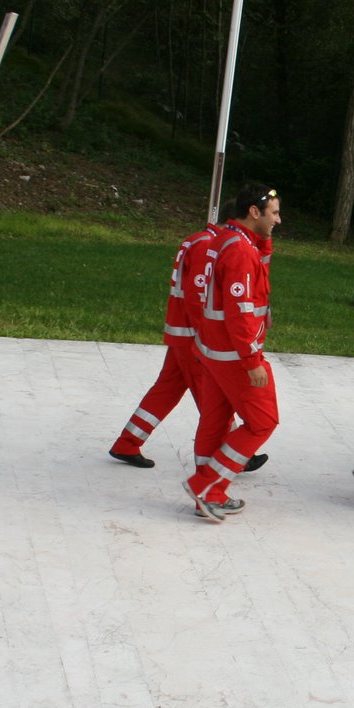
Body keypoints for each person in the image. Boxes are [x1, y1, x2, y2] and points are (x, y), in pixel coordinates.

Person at [184, 184, 281, 522]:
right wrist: (252, 361)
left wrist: (263, 238)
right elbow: (240, 311)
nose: (278, 221)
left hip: (211, 348)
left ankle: (206, 497)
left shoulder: (226, 239)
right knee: (262, 422)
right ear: (254, 212)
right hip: (234, 354)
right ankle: (207, 487)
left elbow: (260, 268)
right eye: (274, 214)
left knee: (214, 420)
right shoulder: (240, 250)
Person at [109, 222, 218, 468]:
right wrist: (207, 335)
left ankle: (127, 443)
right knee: (210, 394)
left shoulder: (195, 239)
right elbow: (197, 296)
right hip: (192, 335)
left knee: (166, 390)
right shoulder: (207, 245)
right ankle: (233, 451)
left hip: (181, 331)